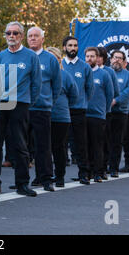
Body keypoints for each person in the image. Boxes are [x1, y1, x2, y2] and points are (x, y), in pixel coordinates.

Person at [0, 21, 41, 197]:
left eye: (15, 33)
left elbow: (36, 84)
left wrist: (28, 102)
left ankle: (22, 183)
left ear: (21, 36)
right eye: (8, 33)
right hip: (1, 103)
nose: (11, 36)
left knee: (20, 144)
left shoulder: (30, 56)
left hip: (20, 104)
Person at [27, 27, 61, 191]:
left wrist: (49, 101)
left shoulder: (50, 59)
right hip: (22, 107)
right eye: (30, 36)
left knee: (43, 145)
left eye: (36, 36)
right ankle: (23, 180)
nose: (32, 38)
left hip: (42, 108)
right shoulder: (23, 56)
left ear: (42, 39)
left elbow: (57, 85)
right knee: (22, 146)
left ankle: (45, 178)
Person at [61, 36, 93, 185]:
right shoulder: (59, 64)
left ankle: (84, 173)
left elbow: (89, 89)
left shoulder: (85, 67)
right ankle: (58, 175)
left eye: (75, 45)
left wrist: (83, 102)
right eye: (70, 45)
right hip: (61, 111)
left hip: (79, 110)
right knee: (60, 144)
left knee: (81, 143)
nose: (73, 48)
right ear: (64, 47)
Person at [48, 47, 78, 187]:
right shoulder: (41, 74)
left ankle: (59, 176)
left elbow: (74, 96)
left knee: (58, 147)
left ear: (59, 59)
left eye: (53, 57)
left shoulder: (65, 76)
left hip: (60, 117)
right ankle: (44, 175)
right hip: (42, 115)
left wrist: (64, 106)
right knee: (43, 147)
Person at [85, 47, 114, 182]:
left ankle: (98, 172)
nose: (89, 58)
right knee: (85, 145)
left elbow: (110, 95)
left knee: (97, 145)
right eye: (87, 56)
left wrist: (104, 110)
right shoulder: (83, 72)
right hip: (83, 114)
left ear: (97, 58)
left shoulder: (104, 74)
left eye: (92, 56)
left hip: (98, 116)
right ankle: (87, 172)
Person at [108, 50, 129, 177]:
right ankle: (102, 167)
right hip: (106, 112)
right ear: (110, 59)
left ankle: (114, 168)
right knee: (104, 140)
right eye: (115, 57)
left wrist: (116, 100)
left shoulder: (128, 75)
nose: (117, 60)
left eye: (120, 58)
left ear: (124, 62)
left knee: (116, 142)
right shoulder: (106, 72)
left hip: (120, 112)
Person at [97, 47, 119, 180]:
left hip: (105, 112)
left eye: (100, 56)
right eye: (95, 56)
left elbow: (114, 92)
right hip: (89, 112)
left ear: (104, 58)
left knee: (104, 142)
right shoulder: (87, 69)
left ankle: (103, 168)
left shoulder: (109, 72)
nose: (97, 59)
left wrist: (106, 105)